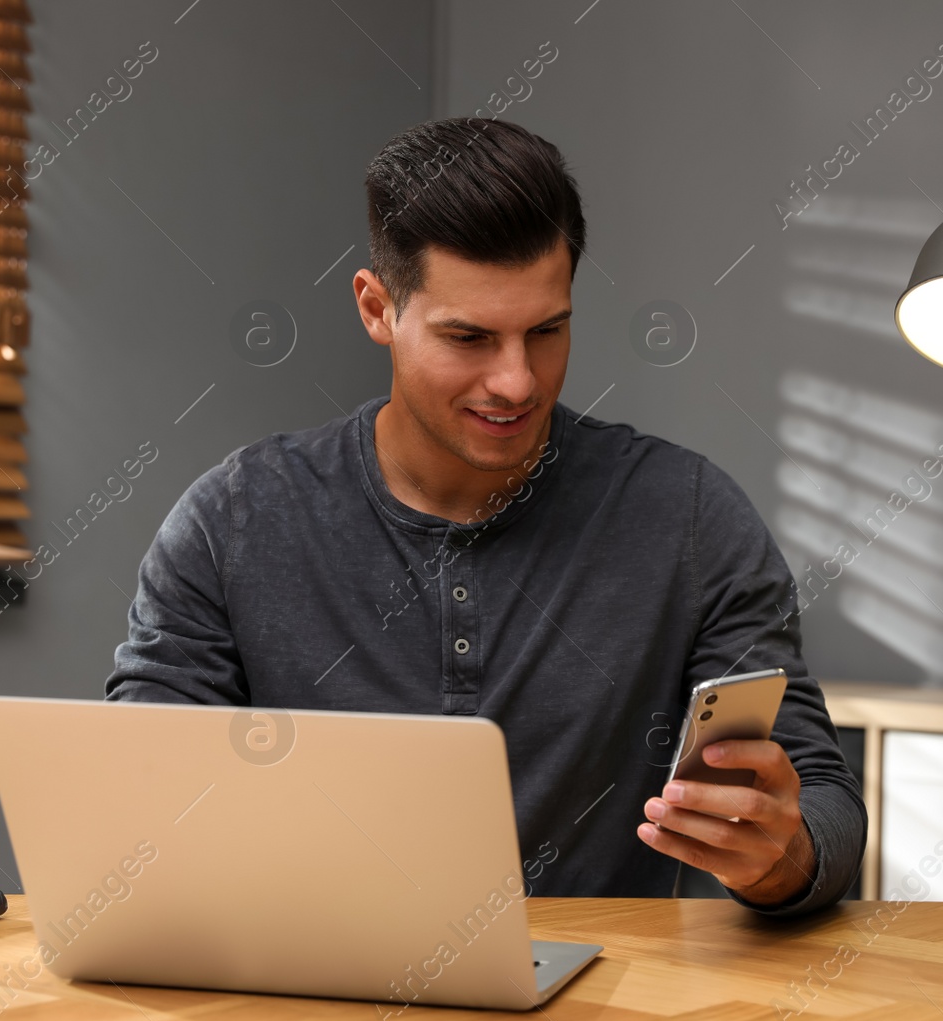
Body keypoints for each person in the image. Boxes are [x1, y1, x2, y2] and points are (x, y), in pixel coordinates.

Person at [107, 116, 865, 915]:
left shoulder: (689, 517)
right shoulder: (233, 522)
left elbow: (823, 797)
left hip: (600, 1019)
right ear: (376, 308)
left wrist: (783, 858)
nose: (517, 382)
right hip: (309, 1009)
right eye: (468, 336)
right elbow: (142, 801)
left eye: (547, 330)